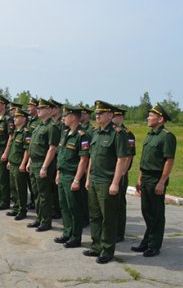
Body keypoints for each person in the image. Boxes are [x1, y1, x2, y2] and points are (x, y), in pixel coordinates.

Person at [83, 100, 128, 264]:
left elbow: (121, 160)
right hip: (94, 179)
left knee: (108, 218)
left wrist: (116, 182)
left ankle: (107, 250)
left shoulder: (118, 133)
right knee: (94, 216)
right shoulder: (96, 133)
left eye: (101, 113)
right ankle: (96, 246)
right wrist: (88, 178)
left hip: (107, 181)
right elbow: (91, 158)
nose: (97, 115)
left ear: (110, 115)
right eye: (96, 113)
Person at [131, 103, 177, 258]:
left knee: (156, 213)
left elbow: (169, 160)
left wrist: (162, 182)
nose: (148, 118)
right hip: (146, 177)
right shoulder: (150, 135)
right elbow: (145, 159)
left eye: (151, 116)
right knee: (146, 212)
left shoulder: (167, 136)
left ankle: (154, 245)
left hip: (157, 178)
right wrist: (140, 178)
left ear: (160, 119)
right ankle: (147, 241)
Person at [54, 106, 91, 248]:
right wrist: (58, 173)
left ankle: (76, 237)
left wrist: (77, 180)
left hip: (72, 176)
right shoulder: (65, 133)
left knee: (74, 207)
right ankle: (67, 232)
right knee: (64, 206)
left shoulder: (82, 136)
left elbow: (84, 159)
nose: (64, 118)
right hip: (63, 174)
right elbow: (61, 155)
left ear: (73, 117)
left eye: (66, 115)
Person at [26, 98, 60, 232]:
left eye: (42, 108)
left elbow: (52, 148)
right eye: (38, 108)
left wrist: (45, 167)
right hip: (34, 162)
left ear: (50, 110)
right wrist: (29, 161)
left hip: (42, 163)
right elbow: (32, 146)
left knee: (44, 194)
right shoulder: (39, 126)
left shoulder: (52, 127)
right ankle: (39, 218)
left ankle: (46, 221)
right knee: (36, 194)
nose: (38, 110)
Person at [112, 107, 136, 243]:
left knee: (119, 204)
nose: (113, 119)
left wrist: (121, 174)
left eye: (115, 116)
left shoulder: (127, 134)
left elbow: (128, 157)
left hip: (120, 174)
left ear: (121, 118)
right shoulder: (112, 132)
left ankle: (119, 233)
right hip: (110, 172)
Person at [6, 108, 30, 220]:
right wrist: (10, 161)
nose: (14, 119)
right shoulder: (16, 131)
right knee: (13, 187)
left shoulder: (26, 132)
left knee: (20, 188)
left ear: (24, 118)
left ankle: (22, 210)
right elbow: (12, 148)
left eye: (17, 117)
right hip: (13, 162)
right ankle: (15, 208)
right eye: (14, 117)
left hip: (19, 163)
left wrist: (23, 164)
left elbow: (27, 150)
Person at [26, 97, 41, 209]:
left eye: (30, 106)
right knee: (31, 183)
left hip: (38, 157)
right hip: (28, 153)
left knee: (40, 189)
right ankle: (33, 202)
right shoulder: (30, 121)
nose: (28, 108)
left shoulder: (39, 122)